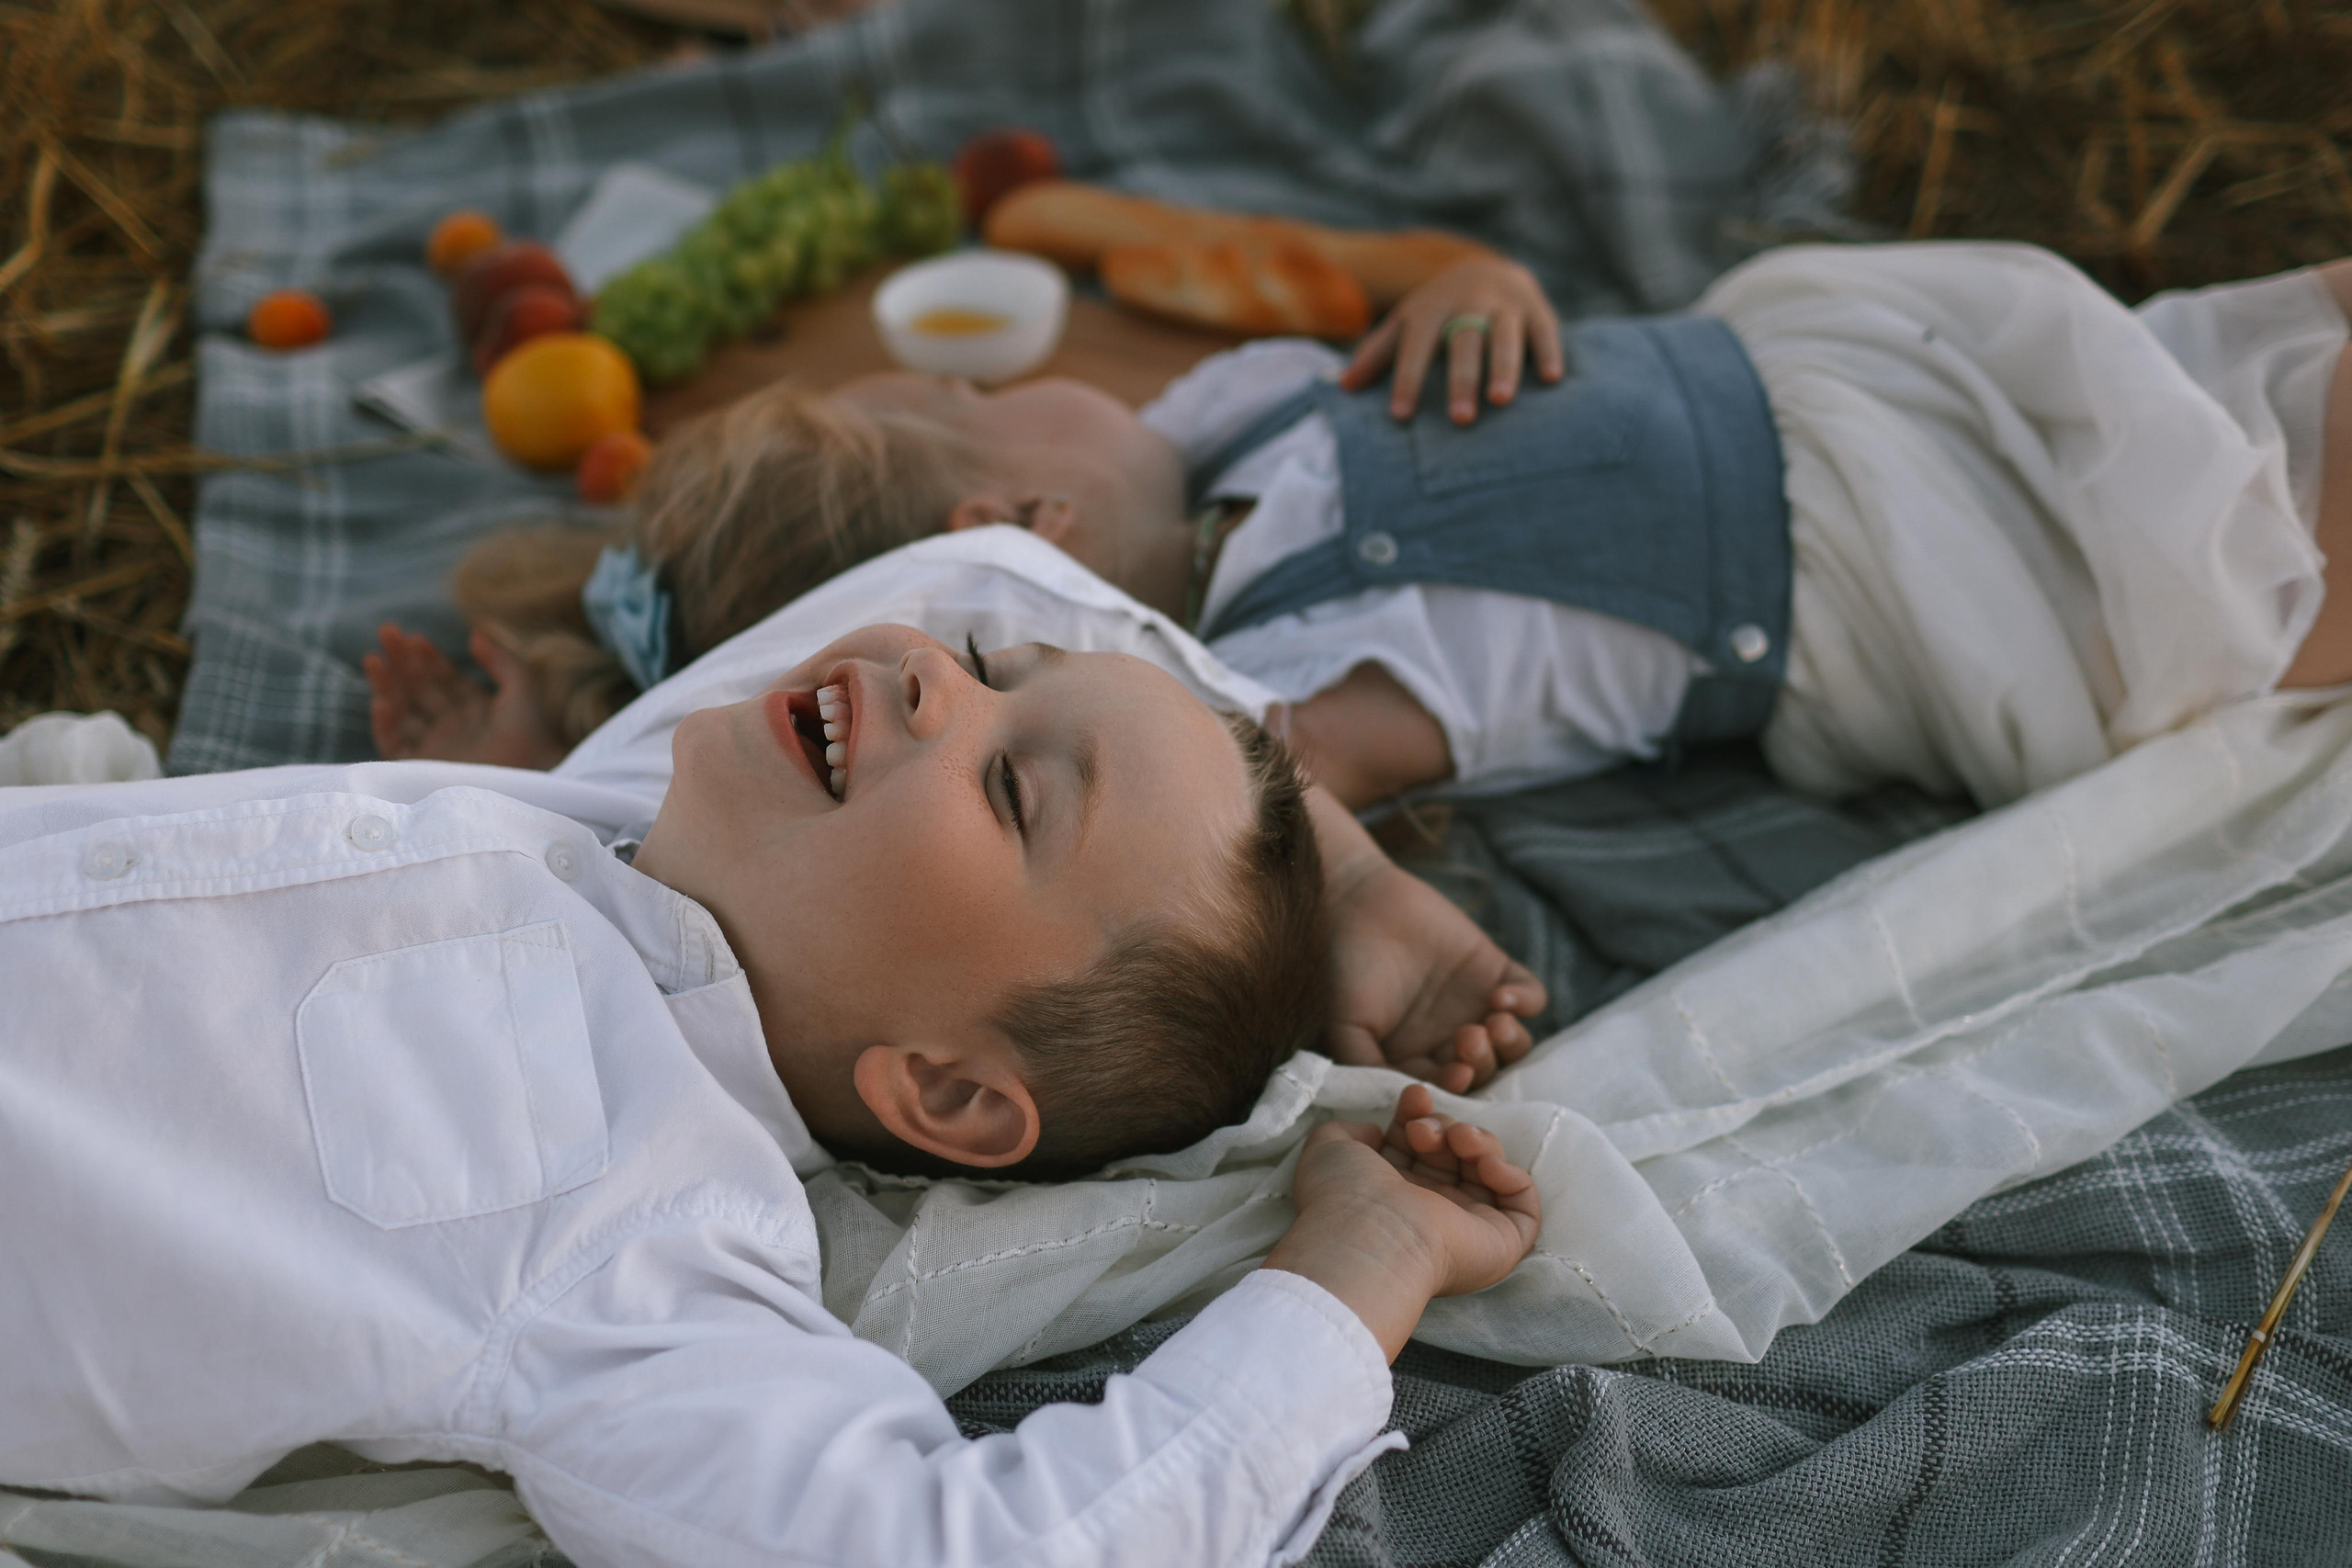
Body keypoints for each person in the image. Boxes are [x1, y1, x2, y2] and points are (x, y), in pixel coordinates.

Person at [0, 621, 1542, 1568]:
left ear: (942, 1090)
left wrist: (1361, 1265)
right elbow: (1008, 563)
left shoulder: (642, 1253)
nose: (946, 675)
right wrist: (1343, 861)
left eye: (1015, 788)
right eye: (995, 669)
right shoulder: (617, 808)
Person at [374, 241, 2352, 830]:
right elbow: (1265, 817)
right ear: (1018, 518)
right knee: (2261, 565)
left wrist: (1474, 281)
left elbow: (1424, 299)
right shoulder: (1268, 680)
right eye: (988, 395)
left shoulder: (1228, 414)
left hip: (1863, 387)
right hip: (1892, 578)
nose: (1051, 367)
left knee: (2234, 356)